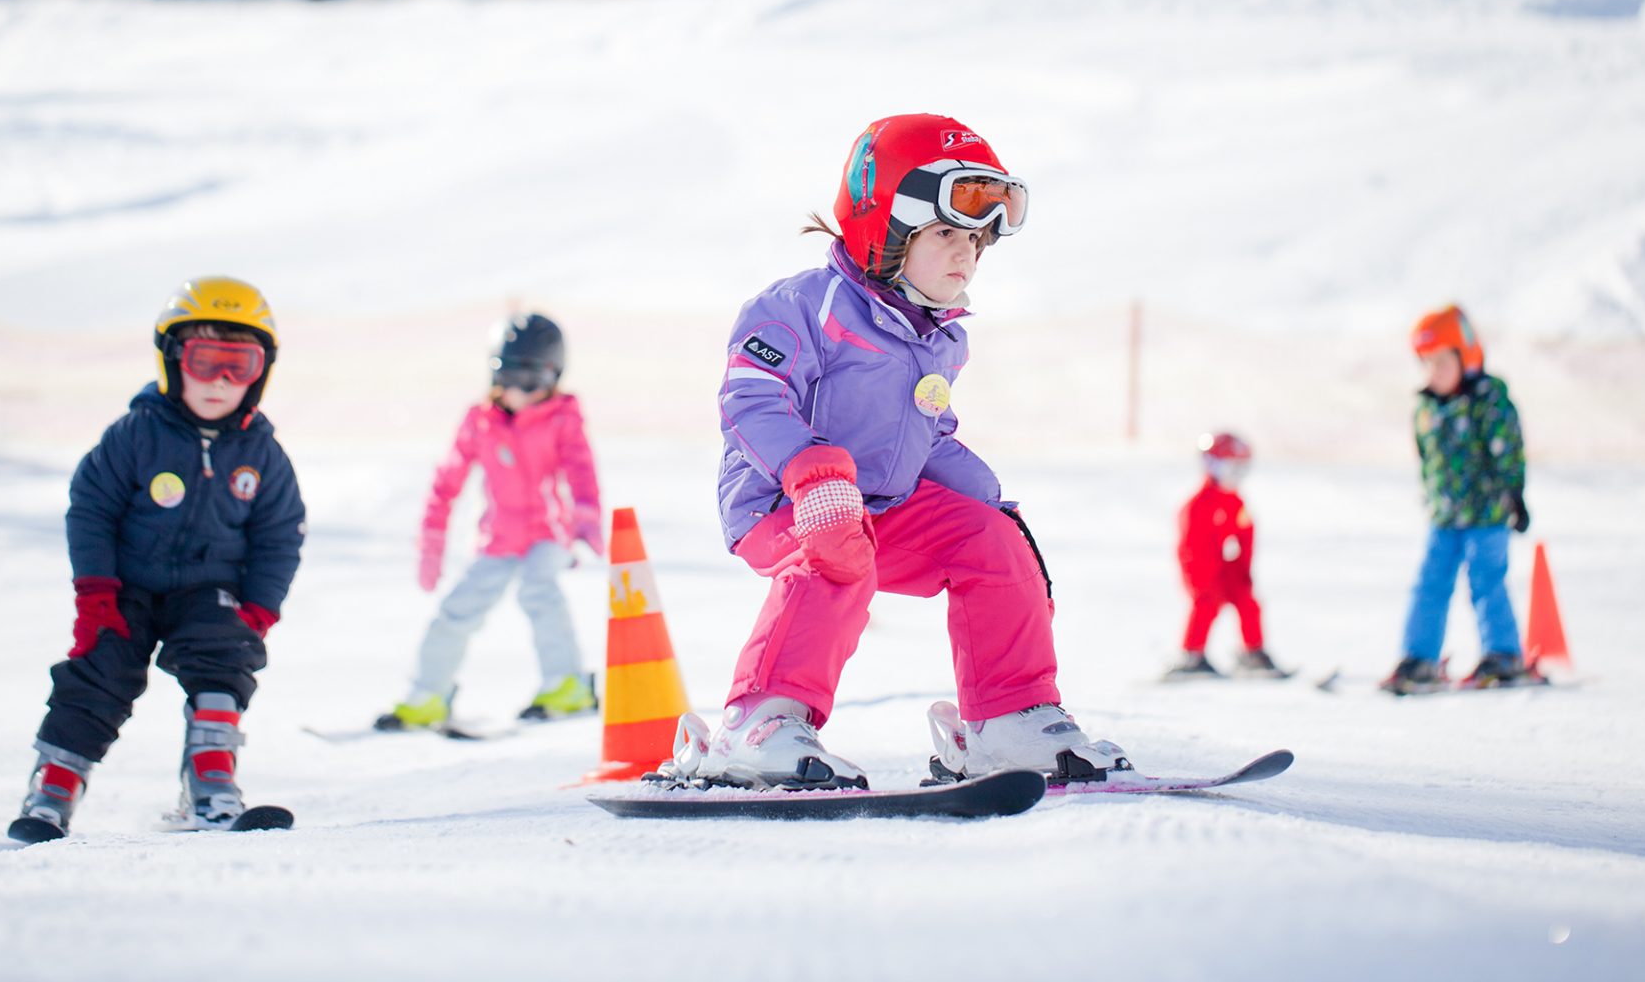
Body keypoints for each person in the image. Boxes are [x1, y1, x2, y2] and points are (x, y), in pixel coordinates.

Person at [660, 113, 1131, 790]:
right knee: (838, 552)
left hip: (888, 505)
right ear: (883, 230)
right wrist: (811, 475)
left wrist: (988, 505)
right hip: (779, 500)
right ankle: (759, 723)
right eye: (944, 233)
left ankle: (1010, 720)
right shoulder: (801, 306)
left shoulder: (938, 337)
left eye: (975, 237)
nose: (965, 252)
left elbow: (926, 436)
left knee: (994, 546)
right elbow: (752, 399)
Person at [9, 276, 306, 841]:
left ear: (261, 370)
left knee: (225, 657)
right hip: (126, 589)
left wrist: (259, 611)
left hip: (209, 592)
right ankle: (53, 789)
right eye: (204, 361)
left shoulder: (263, 455)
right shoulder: (135, 435)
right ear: (172, 359)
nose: (220, 382)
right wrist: (95, 593)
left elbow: (280, 535)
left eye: (238, 365)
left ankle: (212, 787)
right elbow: (90, 509)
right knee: (101, 672)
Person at [377, 313, 604, 731]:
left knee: (540, 593)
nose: (517, 392)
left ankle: (567, 684)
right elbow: (447, 481)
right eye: (509, 377)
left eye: (530, 381)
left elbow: (580, 468)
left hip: (547, 534)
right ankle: (429, 693)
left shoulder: (562, 418)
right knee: (456, 610)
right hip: (497, 538)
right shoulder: (480, 421)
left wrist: (586, 514)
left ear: (553, 377)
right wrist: (432, 540)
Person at [1385, 304, 1533, 694]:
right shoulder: (1426, 407)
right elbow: (1425, 457)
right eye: (1426, 363)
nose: (1433, 372)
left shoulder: (1488, 399)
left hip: (1487, 514)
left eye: (1441, 362)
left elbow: (1509, 450)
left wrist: (1515, 495)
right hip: (1444, 516)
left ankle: (1503, 654)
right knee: (1430, 583)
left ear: (1466, 357)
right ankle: (1419, 657)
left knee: (1486, 581)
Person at [1165, 432, 1285, 680]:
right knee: (1205, 604)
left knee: (1248, 601)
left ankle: (1252, 652)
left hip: (1226, 568)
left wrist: (1243, 570)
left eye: (1242, 470)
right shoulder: (1198, 504)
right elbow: (1189, 547)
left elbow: (1245, 535)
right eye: (1231, 469)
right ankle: (1192, 655)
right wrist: (1200, 578)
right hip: (1202, 571)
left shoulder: (1235, 502)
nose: (1236, 476)